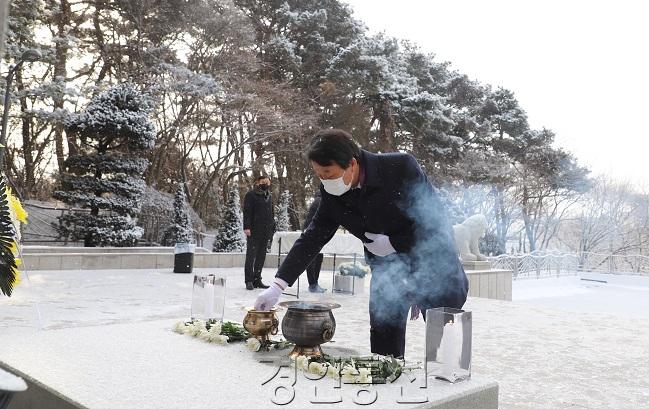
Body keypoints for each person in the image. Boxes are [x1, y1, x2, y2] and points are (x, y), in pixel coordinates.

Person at [254, 129, 468, 358]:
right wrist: (277, 287)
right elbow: (313, 237)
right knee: (384, 344)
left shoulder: (400, 168)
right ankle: (388, 388)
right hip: (388, 272)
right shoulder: (332, 193)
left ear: (352, 164)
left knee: (446, 353)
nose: (324, 180)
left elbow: (434, 221)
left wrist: (395, 243)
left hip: (434, 266)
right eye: (319, 175)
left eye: (328, 172)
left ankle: (449, 390)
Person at [243, 175, 274, 290]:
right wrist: (247, 227)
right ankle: (249, 280)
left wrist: (272, 228)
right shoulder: (251, 195)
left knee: (261, 256)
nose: (265, 184)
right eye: (263, 182)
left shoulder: (269, 195)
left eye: (267, 182)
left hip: (266, 230)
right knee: (251, 256)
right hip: (254, 230)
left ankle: (257, 279)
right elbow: (247, 212)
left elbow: (272, 213)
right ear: (257, 182)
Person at [303, 192, 326, 293]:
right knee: (313, 259)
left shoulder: (319, 200)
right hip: (313, 232)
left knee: (317, 258)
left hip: (314, 231)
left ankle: (314, 283)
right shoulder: (320, 201)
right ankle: (313, 284)